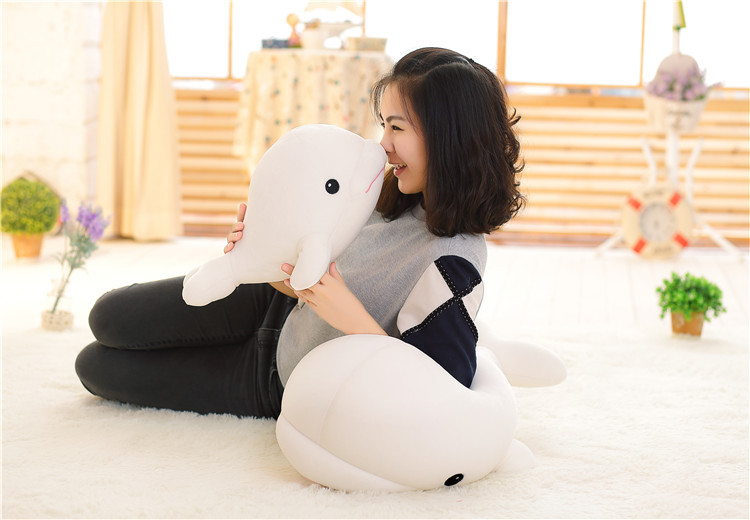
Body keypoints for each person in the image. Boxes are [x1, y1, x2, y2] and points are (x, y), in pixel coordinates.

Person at [75, 47, 525, 419]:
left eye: (397, 127)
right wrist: (258, 256)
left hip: (277, 378)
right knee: (108, 316)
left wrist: (349, 315)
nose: (383, 144)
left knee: (95, 367)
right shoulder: (392, 193)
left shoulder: (454, 263)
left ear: (447, 138)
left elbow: (439, 392)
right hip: (270, 303)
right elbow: (305, 271)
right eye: (384, 125)